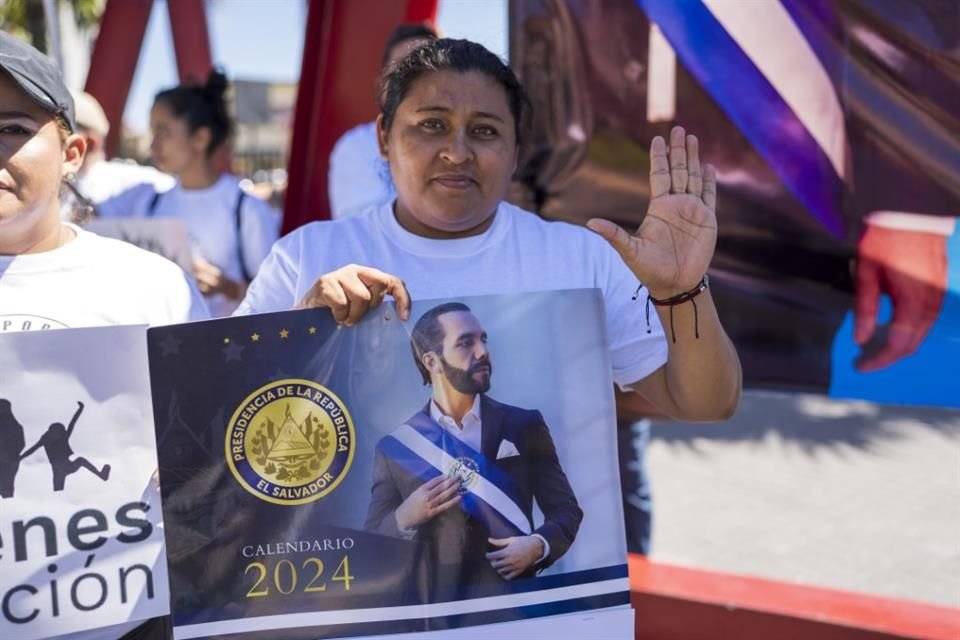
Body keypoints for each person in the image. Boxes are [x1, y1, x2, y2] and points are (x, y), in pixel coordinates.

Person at [239, 38, 740, 426]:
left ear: (516, 151)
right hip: (365, 557)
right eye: (431, 125)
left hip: (549, 559)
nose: (457, 152)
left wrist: (681, 292)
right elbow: (214, 411)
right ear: (384, 137)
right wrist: (299, 330)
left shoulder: (579, 259)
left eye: (485, 131)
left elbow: (705, 403)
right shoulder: (308, 255)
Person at [0, 30, 207, 640]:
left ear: (71, 153)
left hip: (128, 619)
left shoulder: (148, 284)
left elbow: (209, 439)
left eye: (12, 128)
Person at [365, 302, 582, 595]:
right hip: (434, 615)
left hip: (516, 607)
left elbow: (566, 511)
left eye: (483, 340)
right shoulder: (395, 449)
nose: (482, 352)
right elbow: (370, 544)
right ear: (432, 361)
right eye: (466, 343)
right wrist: (405, 515)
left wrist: (537, 546)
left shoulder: (524, 424)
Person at [98, 70, 281, 316]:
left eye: (163, 132)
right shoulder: (149, 202)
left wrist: (226, 287)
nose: (153, 145)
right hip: (161, 342)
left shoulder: (246, 210)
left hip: (226, 345)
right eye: (153, 133)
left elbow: (276, 297)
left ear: (200, 138)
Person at [327, 22, 437, 219]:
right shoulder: (354, 146)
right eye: (403, 69)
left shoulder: (464, 143)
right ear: (382, 84)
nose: (415, 81)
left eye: (427, 70)